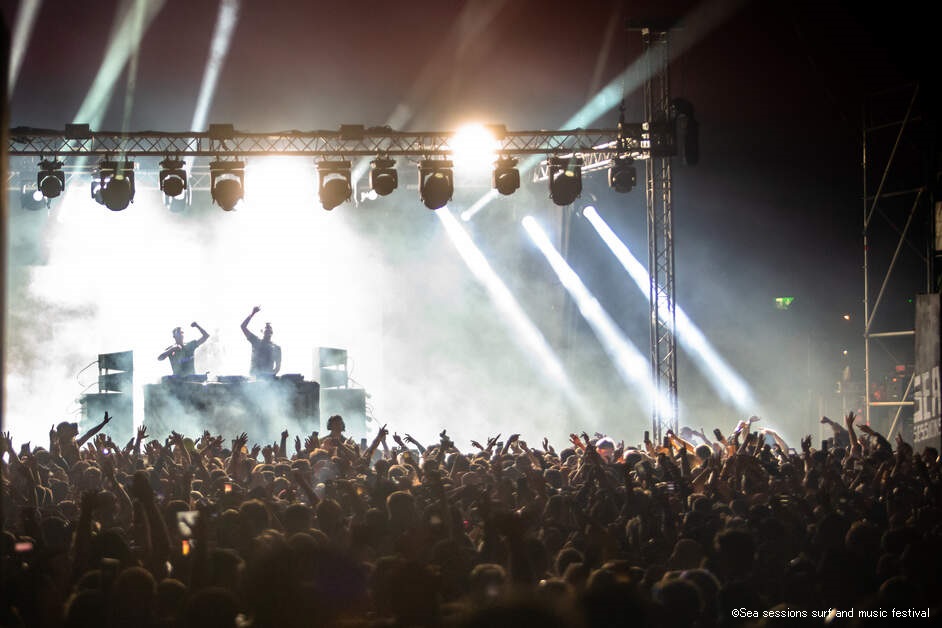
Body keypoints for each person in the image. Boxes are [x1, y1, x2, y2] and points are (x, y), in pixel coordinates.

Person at [241, 306, 281, 377]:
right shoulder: (256, 341)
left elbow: (277, 367)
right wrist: (252, 313)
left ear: (272, 332)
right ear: (262, 331)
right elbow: (243, 327)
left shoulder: (276, 348)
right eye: (266, 327)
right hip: (254, 377)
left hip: (268, 380)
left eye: (269, 328)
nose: (268, 329)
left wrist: (270, 375)